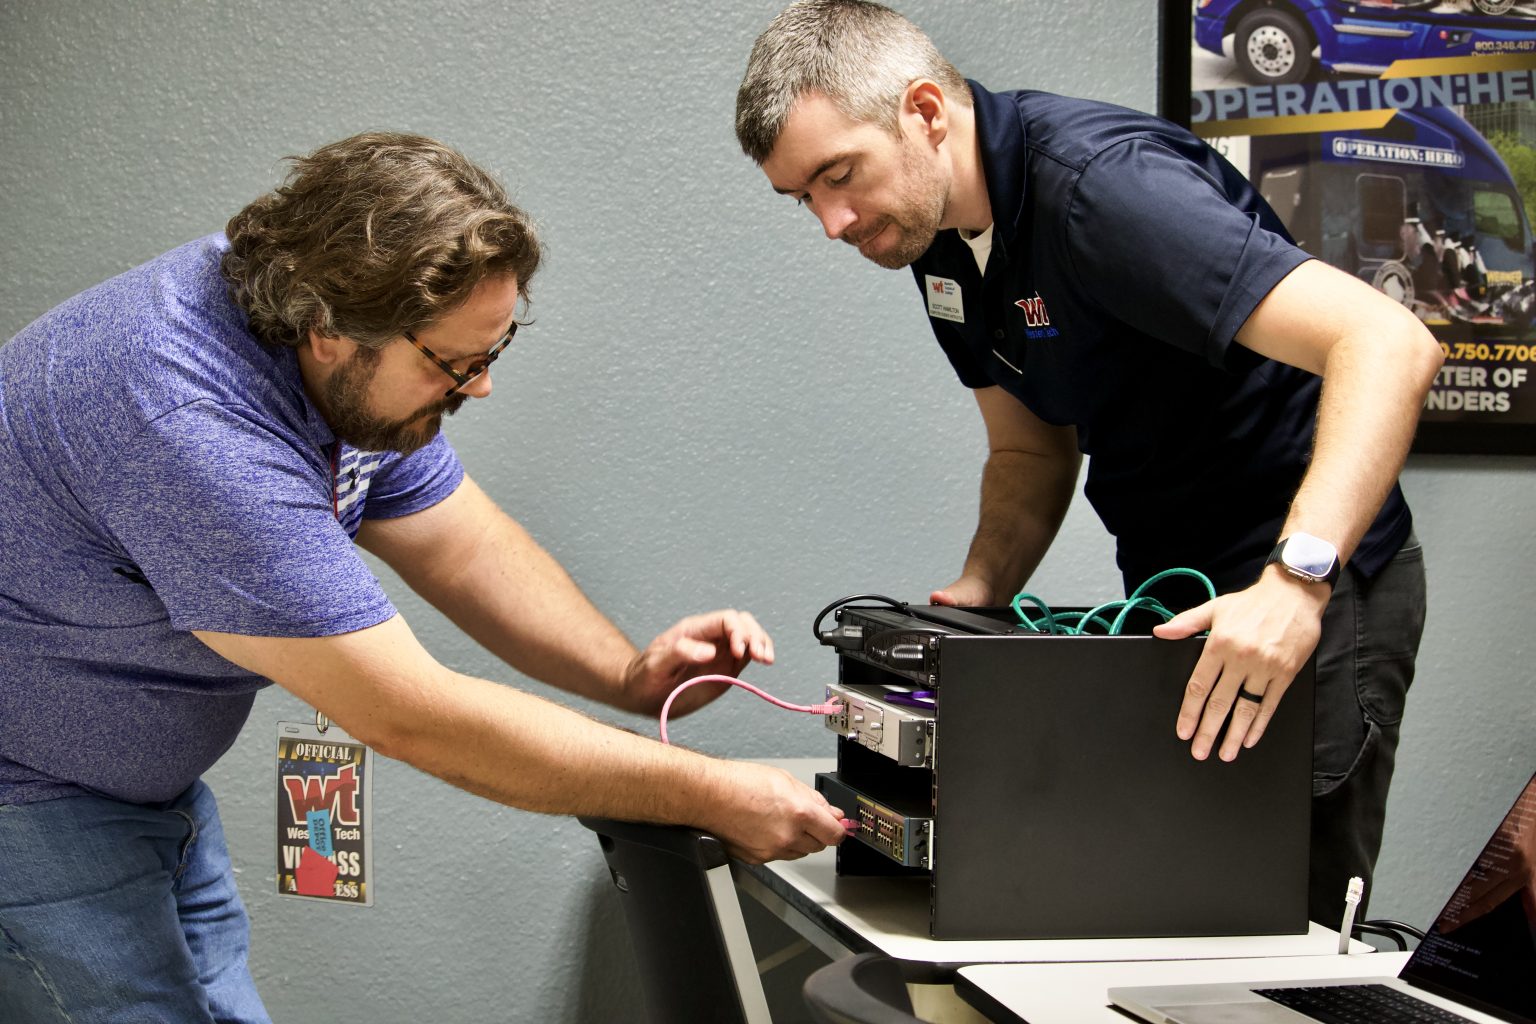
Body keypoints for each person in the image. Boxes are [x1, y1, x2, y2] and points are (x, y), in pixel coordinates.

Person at [0, 131, 846, 1023]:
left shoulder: (326, 335)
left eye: (493, 353)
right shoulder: (190, 425)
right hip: (33, 808)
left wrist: (628, 675)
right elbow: (411, 715)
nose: (478, 389)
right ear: (329, 330)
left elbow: (463, 549)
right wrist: (715, 794)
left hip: (149, 801)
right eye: (454, 365)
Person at [735, 0, 1442, 926]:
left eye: (839, 176)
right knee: (1169, 906)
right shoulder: (936, 241)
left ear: (925, 112)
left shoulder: (1104, 192)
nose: (832, 221)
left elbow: (1387, 342)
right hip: (1174, 592)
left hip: (1308, 586)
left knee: (1273, 924)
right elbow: (1029, 446)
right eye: (804, 198)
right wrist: (979, 593)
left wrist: (1295, 582)